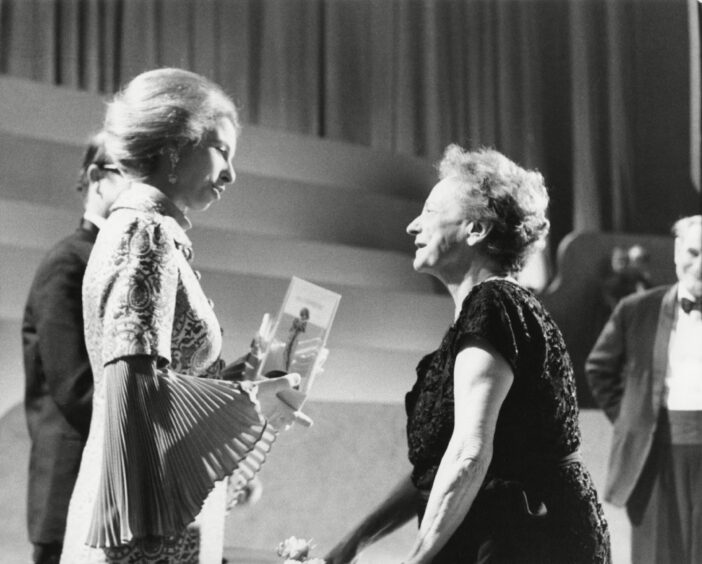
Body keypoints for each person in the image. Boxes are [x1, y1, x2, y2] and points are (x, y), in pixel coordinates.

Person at [60, 68, 310, 564]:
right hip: (142, 525)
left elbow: (162, 376)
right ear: (175, 145)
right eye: (222, 150)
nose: (231, 174)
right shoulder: (144, 233)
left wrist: (246, 377)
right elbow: (136, 390)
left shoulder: (147, 231)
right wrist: (250, 398)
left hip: (148, 507)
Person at [325, 146, 611, 564]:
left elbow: (469, 455)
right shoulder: (481, 315)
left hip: (524, 542)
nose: (411, 225)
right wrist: (348, 546)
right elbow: (437, 467)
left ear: (476, 229)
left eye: (428, 212)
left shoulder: (495, 303)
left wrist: (414, 560)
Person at [22, 134, 130, 564]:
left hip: (109, 489)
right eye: (131, 174)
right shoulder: (69, 261)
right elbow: (75, 388)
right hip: (71, 486)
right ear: (96, 178)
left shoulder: (119, 259)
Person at [586, 215, 702, 564]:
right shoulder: (637, 309)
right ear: (677, 252)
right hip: (653, 453)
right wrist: (630, 418)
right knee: (657, 554)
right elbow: (599, 369)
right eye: (694, 252)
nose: (700, 266)